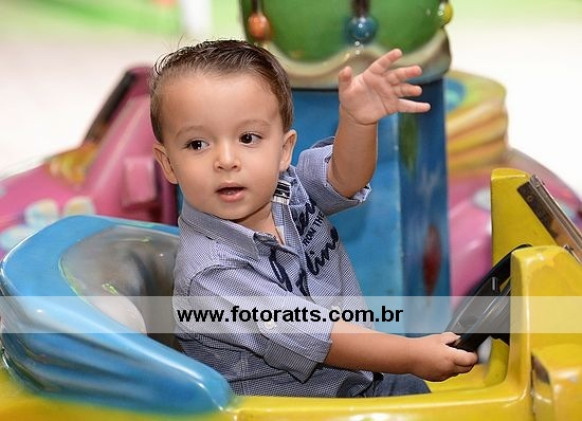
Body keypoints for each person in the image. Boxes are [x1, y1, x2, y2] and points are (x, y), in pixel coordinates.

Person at [150, 39, 477, 398]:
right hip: (291, 409)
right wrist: (412, 354)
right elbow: (321, 336)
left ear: (284, 150)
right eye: (197, 144)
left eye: (248, 138)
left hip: (349, 384)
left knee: (411, 391)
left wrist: (358, 121)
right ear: (169, 163)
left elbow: (344, 177)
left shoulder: (286, 188)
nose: (226, 160)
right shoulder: (212, 273)